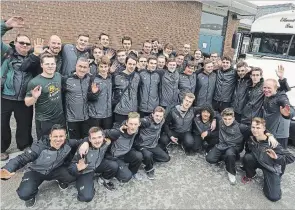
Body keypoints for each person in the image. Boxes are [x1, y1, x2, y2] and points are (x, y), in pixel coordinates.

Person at [0, 124, 89, 207]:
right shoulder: (39, 147)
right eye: (55, 136)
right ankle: (31, 194)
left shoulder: (68, 143)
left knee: (73, 175)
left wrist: (85, 143)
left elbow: (84, 139)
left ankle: (61, 180)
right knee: (24, 194)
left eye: (61, 136)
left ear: (65, 136)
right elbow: (21, 158)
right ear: (50, 136)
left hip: (56, 169)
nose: (58, 139)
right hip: (36, 172)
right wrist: (7, 169)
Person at [1, 16, 40, 160]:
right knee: (2, 124)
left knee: (25, 125)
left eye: (27, 43)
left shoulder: (33, 57)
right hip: (5, 96)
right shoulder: (6, 53)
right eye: (21, 42)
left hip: (24, 98)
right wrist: (5, 26)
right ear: (15, 43)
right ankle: (1, 148)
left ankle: (24, 146)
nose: (24, 45)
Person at [242, 117, 295, 202]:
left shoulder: (272, 143)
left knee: (274, 197)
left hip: (270, 166)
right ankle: (251, 174)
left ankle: (274, 180)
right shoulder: (251, 136)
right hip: (258, 159)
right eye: (253, 127)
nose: (255, 130)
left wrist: (276, 157)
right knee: (247, 157)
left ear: (264, 129)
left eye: (258, 128)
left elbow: (291, 158)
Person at [69, 127, 118, 202]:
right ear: (89, 139)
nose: (97, 140)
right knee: (86, 197)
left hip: (98, 165)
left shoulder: (106, 142)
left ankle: (103, 179)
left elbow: (116, 133)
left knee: (114, 165)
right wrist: (77, 168)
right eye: (94, 138)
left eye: (99, 137)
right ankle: (87, 187)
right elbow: (71, 168)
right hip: (86, 171)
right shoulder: (83, 149)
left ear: (103, 137)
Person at [25, 53, 65, 140]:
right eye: (47, 64)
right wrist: (34, 97)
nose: (50, 66)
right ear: (42, 65)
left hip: (60, 118)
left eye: (52, 64)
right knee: (44, 145)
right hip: (44, 120)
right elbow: (27, 103)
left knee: (60, 142)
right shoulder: (34, 82)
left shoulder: (58, 76)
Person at [122, 107, 170, 179]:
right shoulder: (146, 121)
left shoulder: (162, 120)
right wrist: (123, 125)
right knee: (148, 155)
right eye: (156, 115)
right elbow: (133, 121)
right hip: (141, 144)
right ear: (152, 114)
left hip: (152, 145)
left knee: (166, 158)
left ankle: (145, 160)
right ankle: (148, 168)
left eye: (160, 116)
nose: (158, 118)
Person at [63, 57, 97, 139]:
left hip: (86, 118)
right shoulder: (66, 80)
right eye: (80, 66)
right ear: (76, 66)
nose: (82, 69)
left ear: (88, 68)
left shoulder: (90, 79)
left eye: (85, 67)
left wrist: (94, 93)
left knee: (85, 141)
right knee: (74, 142)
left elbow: (91, 98)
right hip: (72, 120)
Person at [104, 112, 143, 182]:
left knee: (139, 156)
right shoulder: (118, 131)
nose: (133, 127)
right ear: (126, 123)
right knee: (126, 177)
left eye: (135, 124)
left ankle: (133, 172)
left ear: (139, 124)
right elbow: (102, 133)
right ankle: (108, 175)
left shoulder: (137, 130)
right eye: (131, 124)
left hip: (126, 153)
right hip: (115, 156)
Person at [263, 78, 292, 148]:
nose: (266, 90)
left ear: (276, 88)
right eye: (264, 87)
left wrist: (287, 114)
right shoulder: (267, 95)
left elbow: (290, 109)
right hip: (270, 131)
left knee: (280, 155)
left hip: (279, 135)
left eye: (269, 88)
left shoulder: (281, 97)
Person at [113, 56, 140, 124]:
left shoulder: (137, 76)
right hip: (120, 110)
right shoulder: (117, 76)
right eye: (130, 64)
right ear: (125, 63)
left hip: (133, 111)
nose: (132, 66)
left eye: (134, 64)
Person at [88, 56, 113, 129]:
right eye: (101, 66)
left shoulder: (110, 78)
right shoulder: (93, 79)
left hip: (108, 114)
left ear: (109, 67)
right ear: (98, 67)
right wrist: (93, 93)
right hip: (95, 116)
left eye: (105, 67)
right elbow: (88, 97)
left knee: (106, 137)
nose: (103, 69)